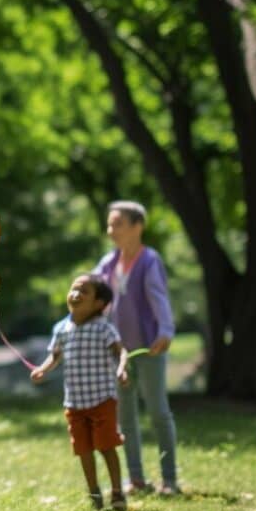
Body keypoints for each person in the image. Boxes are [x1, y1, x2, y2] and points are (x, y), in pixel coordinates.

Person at [94, 201, 180, 495]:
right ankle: (136, 479)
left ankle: (169, 481)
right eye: (109, 224)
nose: (110, 230)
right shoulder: (107, 264)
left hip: (150, 348)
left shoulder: (149, 261)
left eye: (117, 223)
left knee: (158, 412)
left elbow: (159, 299)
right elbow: (90, 293)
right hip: (117, 352)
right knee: (125, 417)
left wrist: (166, 331)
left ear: (137, 226)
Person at [30, 274, 130, 511]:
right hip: (74, 402)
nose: (75, 294)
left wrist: (122, 369)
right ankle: (94, 494)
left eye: (84, 291)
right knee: (83, 449)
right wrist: (41, 370)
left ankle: (117, 493)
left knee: (107, 446)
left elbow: (121, 351)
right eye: (74, 289)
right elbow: (55, 356)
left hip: (102, 399)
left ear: (99, 303)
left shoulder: (103, 327)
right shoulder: (61, 328)